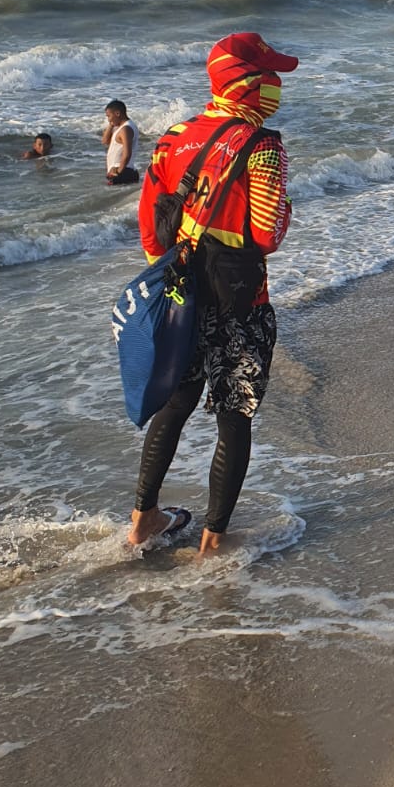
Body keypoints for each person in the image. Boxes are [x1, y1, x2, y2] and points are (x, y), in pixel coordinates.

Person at [126, 33, 296, 554]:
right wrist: (286, 205)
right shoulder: (261, 145)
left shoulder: (174, 136)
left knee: (176, 404)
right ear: (248, 83)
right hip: (239, 301)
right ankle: (214, 541)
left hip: (184, 295)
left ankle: (142, 520)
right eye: (270, 76)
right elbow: (268, 233)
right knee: (234, 414)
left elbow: (151, 231)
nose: (277, 85)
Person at [102, 100, 140, 185]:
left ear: (117, 114)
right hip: (121, 170)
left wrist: (118, 173)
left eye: (109, 116)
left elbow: (127, 154)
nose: (108, 119)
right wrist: (111, 124)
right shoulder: (121, 127)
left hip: (123, 171)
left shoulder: (126, 129)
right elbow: (105, 141)